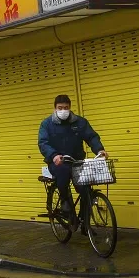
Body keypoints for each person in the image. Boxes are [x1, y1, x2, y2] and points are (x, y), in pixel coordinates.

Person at [38, 95, 107, 227]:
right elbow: (43, 143)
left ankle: (84, 222)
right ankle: (65, 201)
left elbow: (91, 136)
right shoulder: (47, 124)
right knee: (63, 172)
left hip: (77, 160)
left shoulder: (80, 122)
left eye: (66, 108)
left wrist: (99, 150)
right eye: (60, 108)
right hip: (57, 162)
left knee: (85, 189)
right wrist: (53, 155)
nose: (63, 110)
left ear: (70, 108)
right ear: (55, 108)